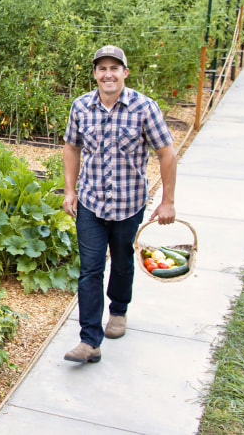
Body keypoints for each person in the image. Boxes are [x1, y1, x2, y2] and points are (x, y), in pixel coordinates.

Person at [61, 45, 177, 364]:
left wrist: (168, 201)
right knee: (91, 269)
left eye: (115, 68)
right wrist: (70, 191)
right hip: (91, 202)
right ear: (95, 74)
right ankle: (89, 340)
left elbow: (166, 153)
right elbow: (71, 147)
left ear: (125, 72)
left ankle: (119, 311)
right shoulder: (81, 106)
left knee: (123, 261)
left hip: (130, 203)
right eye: (102, 68)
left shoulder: (144, 108)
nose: (108, 74)